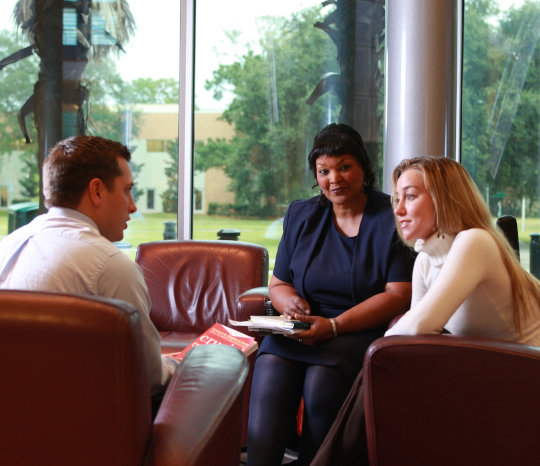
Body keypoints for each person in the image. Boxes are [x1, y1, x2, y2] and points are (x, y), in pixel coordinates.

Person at [312, 155, 540, 465]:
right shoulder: (425, 260)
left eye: (410, 196)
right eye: (396, 199)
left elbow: (419, 325)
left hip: (526, 374)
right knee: (382, 369)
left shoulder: (475, 241)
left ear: (444, 198)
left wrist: (378, 348)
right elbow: (410, 340)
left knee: (377, 365)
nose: (398, 209)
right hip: (491, 372)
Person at [247, 123, 415, 466]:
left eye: (344, 167)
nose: (334, 178)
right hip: (301, 329)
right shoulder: (302, 214)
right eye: (324, 171)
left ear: (364, 169)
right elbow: (279, 284)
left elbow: (399, 294)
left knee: (322, 385)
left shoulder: (391, 217)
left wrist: (335, 326)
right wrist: (288, 303)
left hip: (355, 330)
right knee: (270, 377)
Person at [0, 135, 177, 404]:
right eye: (126, 190)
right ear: (96, 191)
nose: (133, 205)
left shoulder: (7, 246)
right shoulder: (110, 266)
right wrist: (183, 365)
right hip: (79, 431)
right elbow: (149, 378)